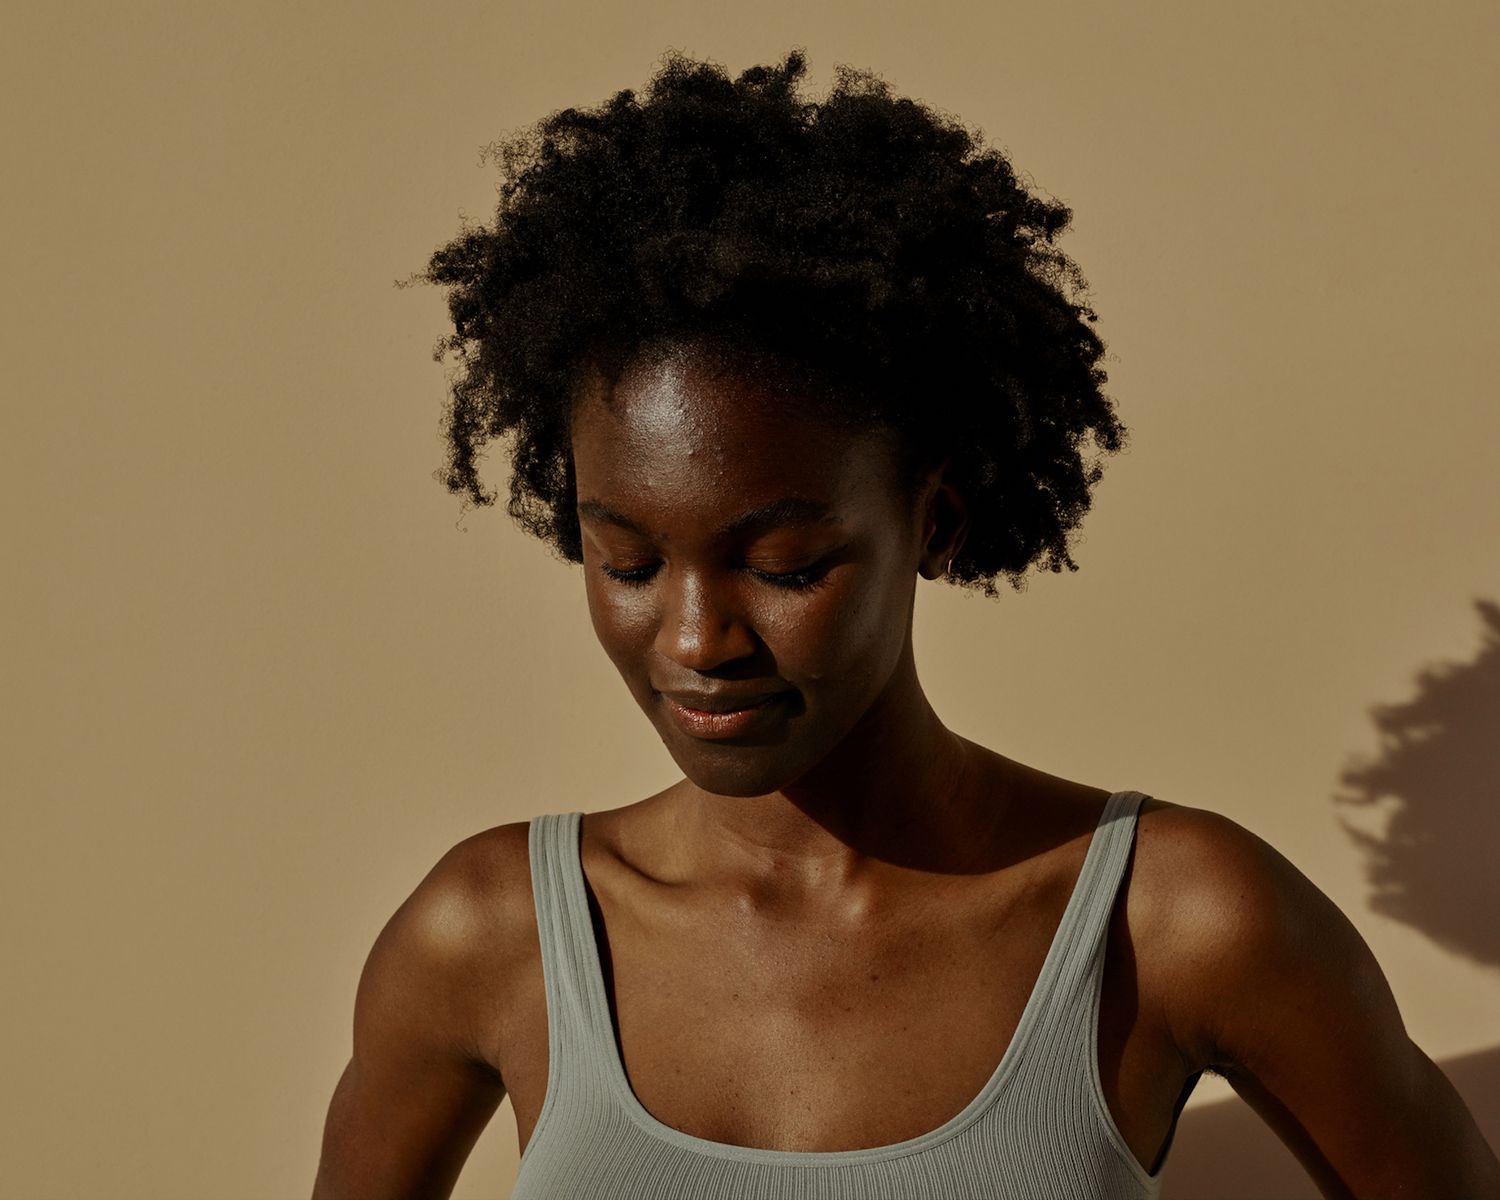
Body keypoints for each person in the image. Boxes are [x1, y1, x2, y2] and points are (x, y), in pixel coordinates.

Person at [311, 49, 1500, 1200]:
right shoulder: (488, 933)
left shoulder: (1176, 922)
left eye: (782, 563)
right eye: (625, 559)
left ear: (932, 523)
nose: (691, 638)